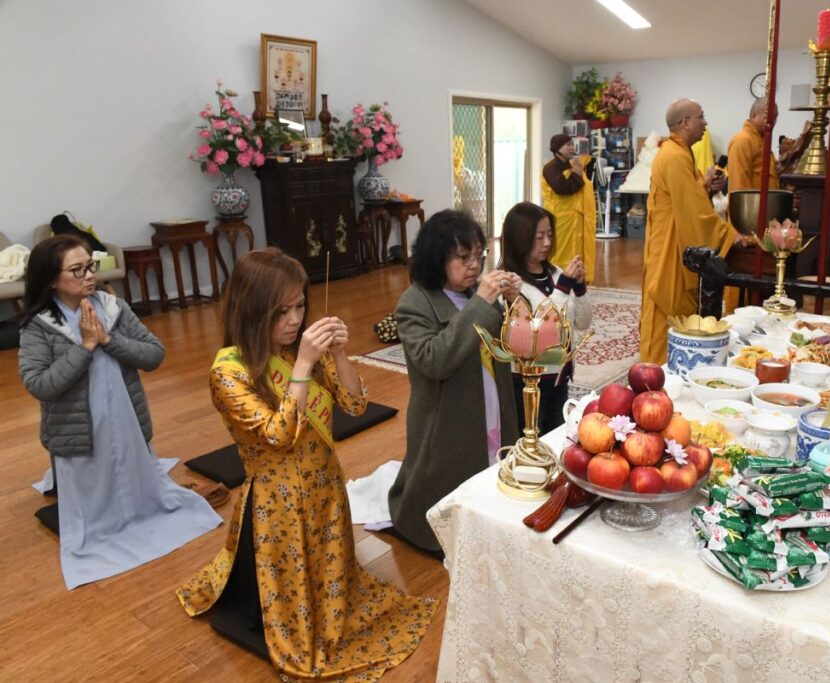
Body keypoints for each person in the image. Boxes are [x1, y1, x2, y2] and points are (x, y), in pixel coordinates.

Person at [177, 248, 435, 681]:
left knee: (332, 581)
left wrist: (339, 355)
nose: (295, 320)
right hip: (278, 505)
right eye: (282, 311)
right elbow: (278, 436)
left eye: (300, 306)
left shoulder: (302, 352)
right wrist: (303, 364)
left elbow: (355, 404)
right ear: (252, 310)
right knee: (290, 593)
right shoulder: (229, 372)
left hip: (326, 486)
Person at [18, 235, 222, 590]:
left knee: (136, 484)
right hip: (80, 433)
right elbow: (40, 385)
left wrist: (109, 341)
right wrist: (85, 346)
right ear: (51, 279)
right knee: (97, 505)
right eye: (77, 270)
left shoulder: (113, 308)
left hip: (127, 420)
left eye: (90, 266)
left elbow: (154, 354)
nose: (89, 276)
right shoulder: (40, 325)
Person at [388, 210, 520, 556]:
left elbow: (511, 345)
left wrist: (513, 302)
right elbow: (434, 360)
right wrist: (480, 304)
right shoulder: (415, 303)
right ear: (438, 258)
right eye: (463, 257)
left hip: (489, 398)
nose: (474, 265)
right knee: (451, 482)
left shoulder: (474, 292)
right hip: (446, 417)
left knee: (494, 462)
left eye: (478, 255)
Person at [640, 99, 755, 364]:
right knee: (666, 311)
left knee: (675, 309)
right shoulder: (674, 156)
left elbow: (687, 198)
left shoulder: (679, 153)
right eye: (701, 117)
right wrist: (729, 235)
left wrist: (703, 186)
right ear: (685, 123)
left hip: (673, 238)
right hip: (669, 246)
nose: (705, 123)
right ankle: (657, 371)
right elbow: (693, 211)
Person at [500, 202, 593, 434]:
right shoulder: (509, 283)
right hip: (528, 382)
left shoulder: (556, 274)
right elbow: (542, 329)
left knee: (557, 437)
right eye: (539, 237)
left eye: (549, 235)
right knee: (531, 439)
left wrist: (579, 287)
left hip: (559, 376)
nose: (547, 243)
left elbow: (584, 322)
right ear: (519, 239)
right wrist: (564, 287)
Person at [541, 133, 597, 283]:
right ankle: (557, 280)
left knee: (575, 250)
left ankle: (575, 279)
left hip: (574, 218)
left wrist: (577, 172)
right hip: (559, 218)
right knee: (559, 251)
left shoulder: (571, 165)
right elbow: (562, 188)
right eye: (568, 145)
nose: (572, 147)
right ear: (557, 148)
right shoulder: (550, 168)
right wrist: (577, 175)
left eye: (572, 144)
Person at [727, 97, 780, 192]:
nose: (773, 121)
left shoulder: (762, 141)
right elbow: (738, 184)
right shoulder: (742, 140)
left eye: (775, 117)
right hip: (752, 201)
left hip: (768, 200)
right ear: (754, 116)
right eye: (768, 117)